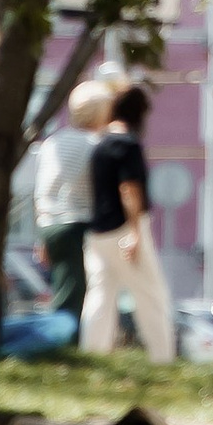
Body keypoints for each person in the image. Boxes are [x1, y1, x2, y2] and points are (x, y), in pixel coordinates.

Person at [80, 81, 176, 363]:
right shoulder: (127, 144)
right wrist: (135, 232)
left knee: (100, 296)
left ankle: (92, 354)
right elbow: (129, 189)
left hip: (98, 234)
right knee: (151, 296)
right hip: (125, 229)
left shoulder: (100, 146)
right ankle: (162, 358)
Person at [32, 79, 111, 330]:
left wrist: (42, 236)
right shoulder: (97, 146)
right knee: (76, 295)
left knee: (65, 285)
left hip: (50, 224)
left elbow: (41, 191)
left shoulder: (53, 143)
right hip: (78, 224)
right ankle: (63, 345)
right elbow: (101, 192)